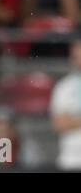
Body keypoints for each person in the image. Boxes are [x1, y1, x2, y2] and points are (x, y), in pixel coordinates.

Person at [50, 38, 81, 171]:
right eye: (77, 56)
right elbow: (59, 124)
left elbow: (65, 122)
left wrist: (73, 120)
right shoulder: (64, 87)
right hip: (71, 161)